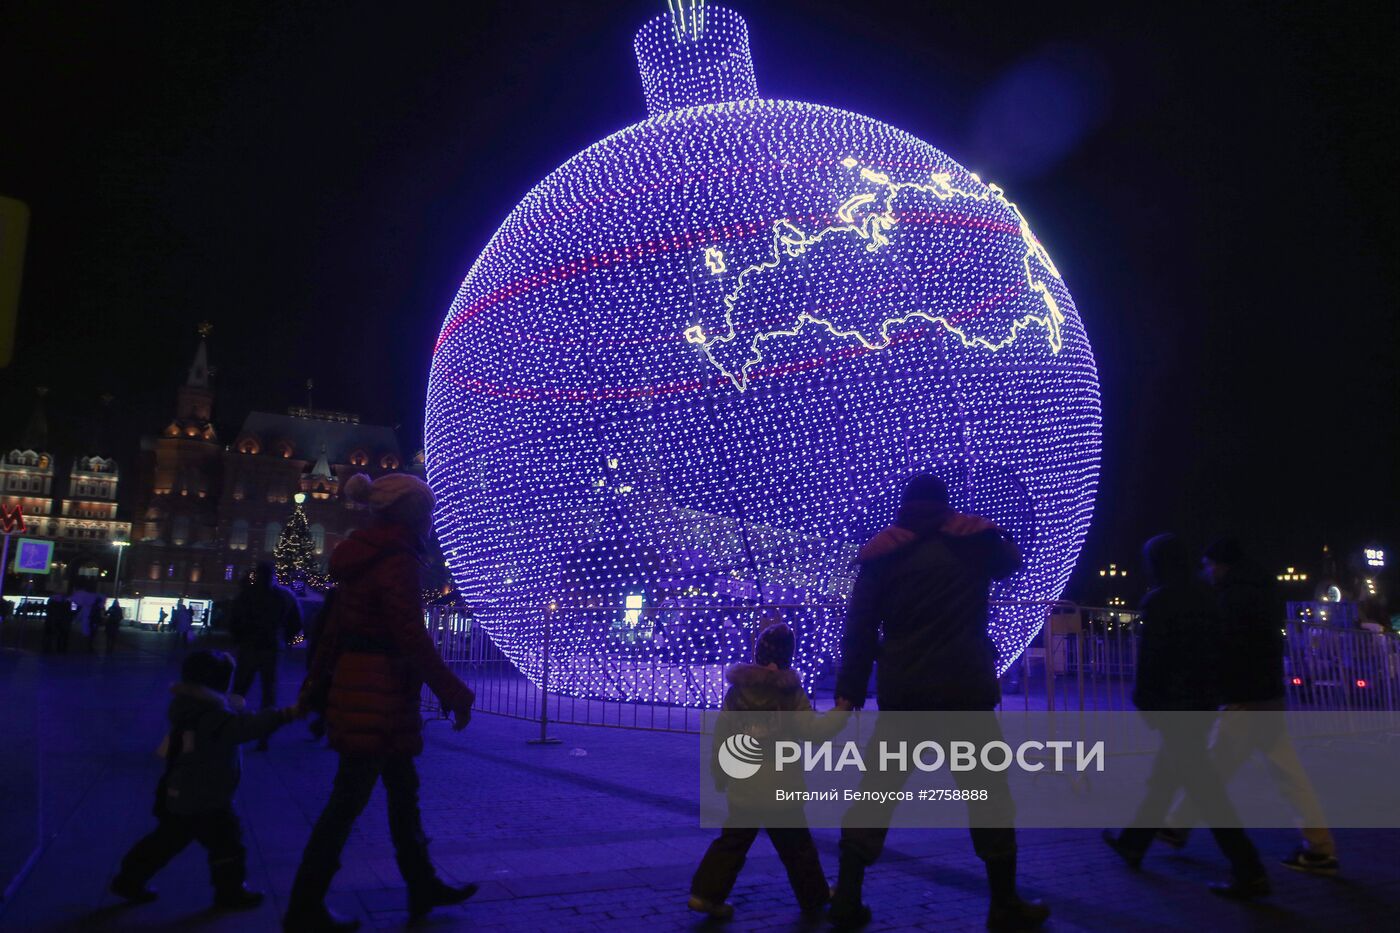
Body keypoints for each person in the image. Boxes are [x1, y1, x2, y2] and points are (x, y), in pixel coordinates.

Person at [831, 474, 1047, 931]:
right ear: (945, 505)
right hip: (963, 690)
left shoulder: (882, 553)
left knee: (875, 794)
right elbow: (1013, 563)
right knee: (988, 796)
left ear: (905, 506)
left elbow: (861, 626)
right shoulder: (971, 543)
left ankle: (847, 897)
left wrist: (849, 689)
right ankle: (1004, 903)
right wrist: (990, 529)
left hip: (905, 691)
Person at [284, 473, 477, 932]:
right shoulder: (398, 559)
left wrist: (315, 687)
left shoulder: (365, 555)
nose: (431, 519)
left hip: (364, 690)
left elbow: (334, 629)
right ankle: (304, 906)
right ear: (410, 512)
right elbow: (409, 632)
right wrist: (452, 691)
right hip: (380, 695)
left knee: (401, 794)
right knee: (348, 801)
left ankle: (421, 883)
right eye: (427, 510)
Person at [1103, 534, 1269, 899]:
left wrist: (1145, 700)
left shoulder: (1160, 600)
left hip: (1175, 707)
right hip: (1202, 704)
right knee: (1167, 778)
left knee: (1205, 790)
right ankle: (1134, 843)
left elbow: (1153, 660)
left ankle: (1249, 868)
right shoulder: (1208, 598)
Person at [1160, 538, 1337, 873]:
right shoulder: (1259, 591)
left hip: (1245, 697)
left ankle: (1188, 832)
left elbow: (1226, 648)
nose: (1206, 571)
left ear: (1221, 564)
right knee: (1284, 773)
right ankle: (1320, 847)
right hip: (1266, 694)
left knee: (1214, 770)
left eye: (1209, 564)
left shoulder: (1233, 598)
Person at [109, 649, 298, 910]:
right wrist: (284, 714)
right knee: (227, 844)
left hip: (183, 791)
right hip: (206, 797)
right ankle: (230, 892)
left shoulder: (190, 707)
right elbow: (247, 728)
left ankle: (128, 879)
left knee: (165, 841)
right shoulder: (214, 717)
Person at [689, 621, 846, 921]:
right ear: (788, 656)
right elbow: (813, 731)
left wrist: (720, 773)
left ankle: (704, 894)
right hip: (780, 786)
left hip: (743, 784)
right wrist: (841, 712)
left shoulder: (737, 691)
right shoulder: (788, 692)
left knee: (732, 843)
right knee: (797, 847)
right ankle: (814, 896)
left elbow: (722, 735)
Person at [229, 563, 302, 751]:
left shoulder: (246, 594)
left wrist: (239, 638)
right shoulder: (285, 596)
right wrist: (285, 640)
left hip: (249, 647)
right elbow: (296, 623)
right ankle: (264, 735)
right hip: (272, 649)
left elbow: (233, 620)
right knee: (269, 692)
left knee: (240, 689)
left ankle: (232, 730)